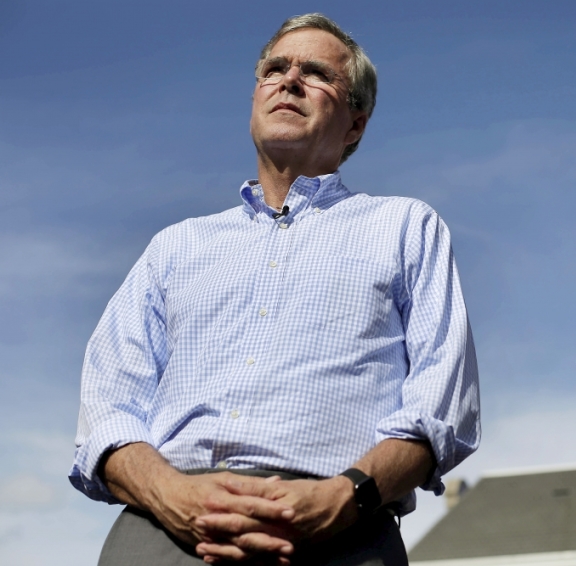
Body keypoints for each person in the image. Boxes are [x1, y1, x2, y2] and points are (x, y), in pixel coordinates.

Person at [69, 13, 480, 566]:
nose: (288, 80)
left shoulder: (407, 228)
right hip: (163, 531)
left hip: (339, 533)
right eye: (274, 69)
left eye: (315, 73)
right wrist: (173, 496)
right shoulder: (174, 247)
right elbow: (108, 407)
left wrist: (345, 495)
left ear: (355, 124)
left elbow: (444, 406)